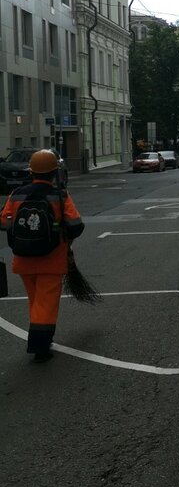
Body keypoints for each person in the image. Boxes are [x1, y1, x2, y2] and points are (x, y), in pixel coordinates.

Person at [1, 149, 84, 361]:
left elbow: (4, 222)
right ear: (54, 172)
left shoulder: (17, 194)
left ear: (32, 172)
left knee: (35, 301)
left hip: (23, 260)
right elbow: (76, 225)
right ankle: (40, 347)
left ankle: (41, 338)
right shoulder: (60, 195)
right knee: (46, 304)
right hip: (51, 261)